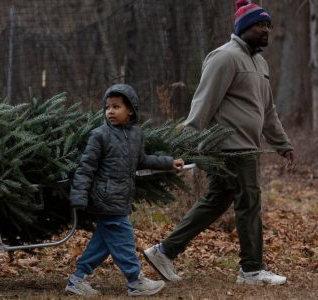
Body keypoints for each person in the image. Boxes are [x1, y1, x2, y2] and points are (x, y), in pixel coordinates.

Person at [142, 0, 297, 286]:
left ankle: (165, 251)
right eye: (260, 25)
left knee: (216, 201)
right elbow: (203, 101)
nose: (266, 30)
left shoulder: (259, 62)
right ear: (243, 27)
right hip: (229, 147)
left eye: (268, 25)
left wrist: (282, 144)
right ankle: (251, 270)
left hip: (246, 146)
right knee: (249, 203)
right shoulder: (224, 57)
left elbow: (268, 109)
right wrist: (187, 140)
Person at [65, 83, 185, 297]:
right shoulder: (99, 135)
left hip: (121, 197)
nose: (110, 111)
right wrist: (79, 195)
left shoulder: (136, 135)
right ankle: (134, 280)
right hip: (106, 198)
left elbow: (141, 160)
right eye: (108, 107)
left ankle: (77, 278)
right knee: (124, 237)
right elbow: (86, 166)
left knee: (103, 242)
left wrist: (168, 162)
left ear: (130, 110)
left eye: (116, 107)